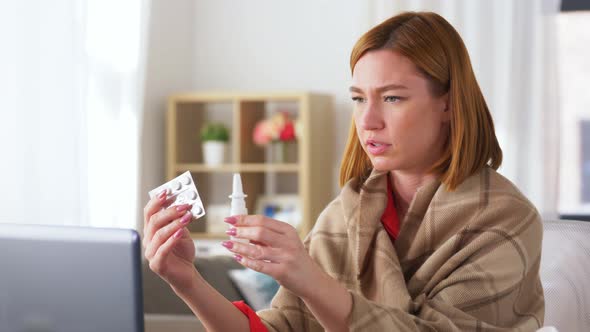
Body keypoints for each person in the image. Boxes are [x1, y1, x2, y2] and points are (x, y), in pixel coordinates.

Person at [142, 11, 544, 331]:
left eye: (392, 97)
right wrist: (187, 281)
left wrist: (310, 280)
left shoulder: (504, 220)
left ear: (448, 104)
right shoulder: (346, 214)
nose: (367, 120)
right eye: (357, 98)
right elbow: (281, 328)